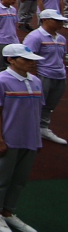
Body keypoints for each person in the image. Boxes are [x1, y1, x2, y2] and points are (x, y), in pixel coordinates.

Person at [0, 44, 45, 232]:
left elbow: (36, 111)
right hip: (8, 137)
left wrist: (37, 137)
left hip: (29, 138)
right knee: (0, 176)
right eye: (25, 60)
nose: (30, 63)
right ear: (11, 60)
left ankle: (8, 211)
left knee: (19, 179)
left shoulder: (35, 81)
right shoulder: (1, 80)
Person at [22, 9, 67, 144]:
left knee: (50, 105)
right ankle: (28, 129)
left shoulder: (61, 38)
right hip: (43, 76)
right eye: (57, 21)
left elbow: (62, 57)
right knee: (35, 104)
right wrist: (32, 78)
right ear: (45, 20)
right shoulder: (35, 37)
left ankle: (43, 128)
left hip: (59, 76)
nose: (60, 23)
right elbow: (27, 59)